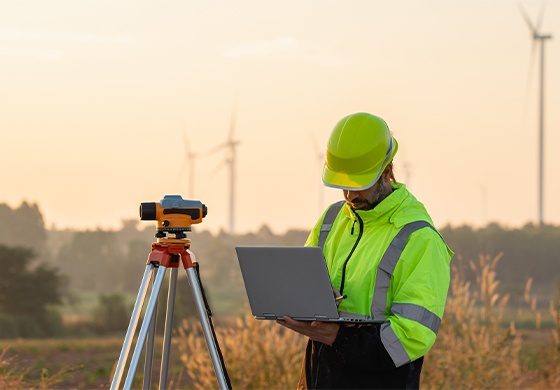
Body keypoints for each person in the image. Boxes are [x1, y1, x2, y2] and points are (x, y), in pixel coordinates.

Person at [277, 112, 453, 389]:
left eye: (359, 184)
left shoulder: (418, 237)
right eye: (344, 185)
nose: (350, 196)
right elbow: (305, 278)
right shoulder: (332, 219)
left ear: (387, 170)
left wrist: (339, 336)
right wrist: (312, 297)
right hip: (318, 377)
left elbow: (412, 336)